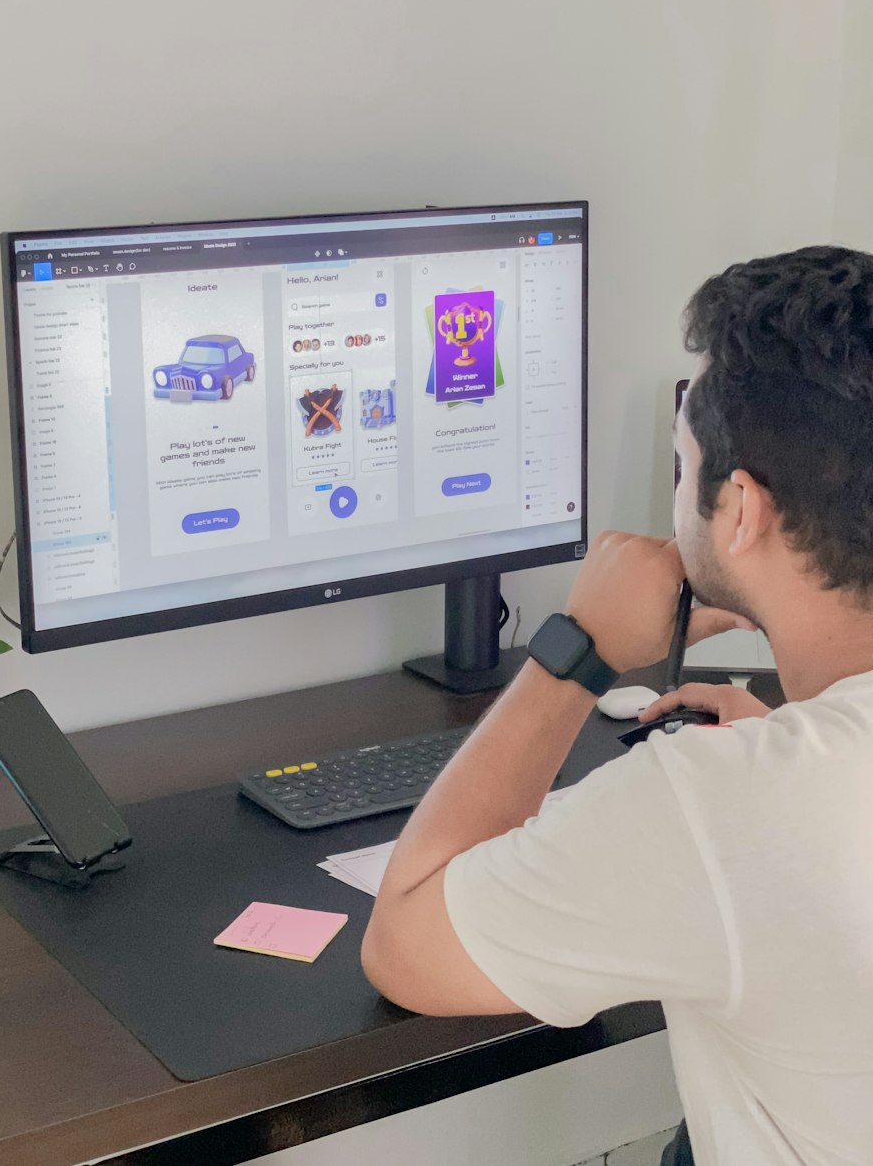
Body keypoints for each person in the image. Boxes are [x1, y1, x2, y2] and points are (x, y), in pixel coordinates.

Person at [362, 247, 873, 1164]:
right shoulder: (789, 781)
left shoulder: (729, 802)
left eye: (683, 466)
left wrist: (576, 650)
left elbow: (404, 941)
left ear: (743, 509)